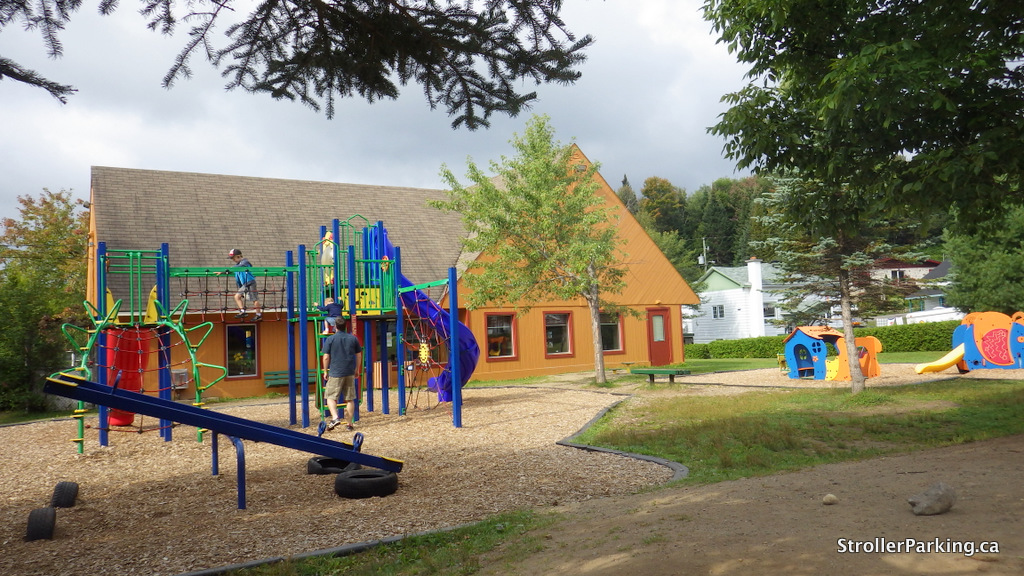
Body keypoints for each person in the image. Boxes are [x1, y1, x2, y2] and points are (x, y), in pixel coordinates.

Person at [320, 321, 362, 431]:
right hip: (349, 371)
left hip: (336, 372)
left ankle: (335, 417)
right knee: (350, 399)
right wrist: (357, 369)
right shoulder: (353, 339)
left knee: (330, 397)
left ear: (335, 327)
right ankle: (349, 424)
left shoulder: (330, 339)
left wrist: (325, 371)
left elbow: (325, 357)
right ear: (346, 326)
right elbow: (358, 355)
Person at [219, 249, 262, 320]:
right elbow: (235, 274)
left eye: (234, 258)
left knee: (254, 299)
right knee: (237, 296)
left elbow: (239, 267)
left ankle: (258, 314)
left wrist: (225, 270)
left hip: (250, 282)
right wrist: (223, 272)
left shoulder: (245, 262)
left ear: (239, 256)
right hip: (245, 284)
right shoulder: (237, 265)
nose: (233, 260)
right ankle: (242, 311)